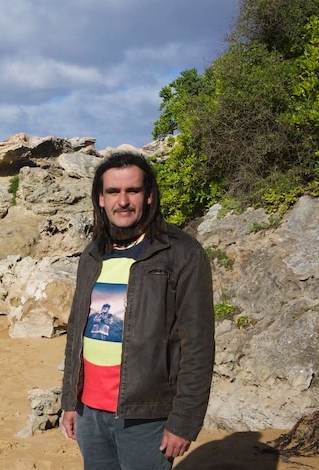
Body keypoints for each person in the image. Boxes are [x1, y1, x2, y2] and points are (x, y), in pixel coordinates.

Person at [60, 151, 215, 469]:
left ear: (148, 196)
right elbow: (76, 332)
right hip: (90, 411)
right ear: (101, 199)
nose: (123, 201)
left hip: (147, 414)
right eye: (114, 192)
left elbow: (198, 346)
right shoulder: (93, 253)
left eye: (133, 190)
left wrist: (183, 422)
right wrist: (70, 401)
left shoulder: (180, 253)